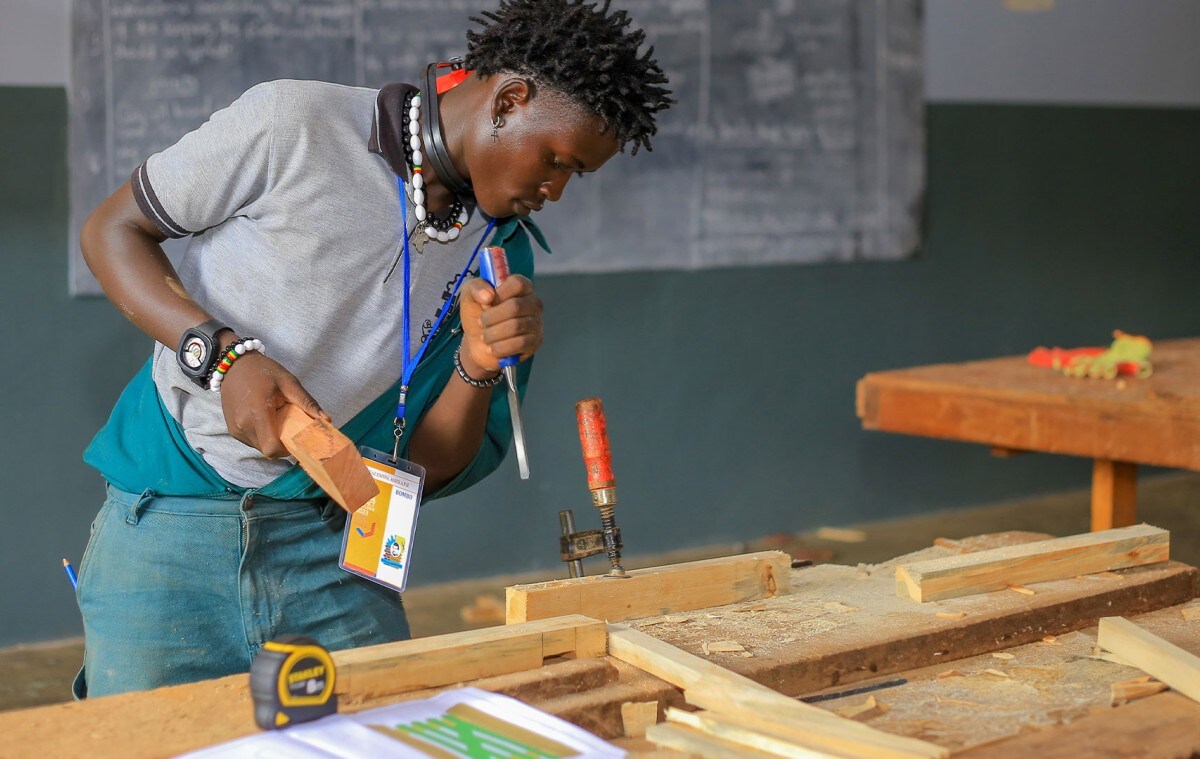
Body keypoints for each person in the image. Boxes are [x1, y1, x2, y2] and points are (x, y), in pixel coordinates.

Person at [76, 0, 672, 697]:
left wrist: (475, 367)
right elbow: (112, 231)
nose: (558, 190)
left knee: (380, 729)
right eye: (557, 160)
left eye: (577, 175)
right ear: (510, 99)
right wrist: (221, 354)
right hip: (168, 525)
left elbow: (430, 463)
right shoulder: (292, 125)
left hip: (331, 543)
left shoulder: (499, 256)